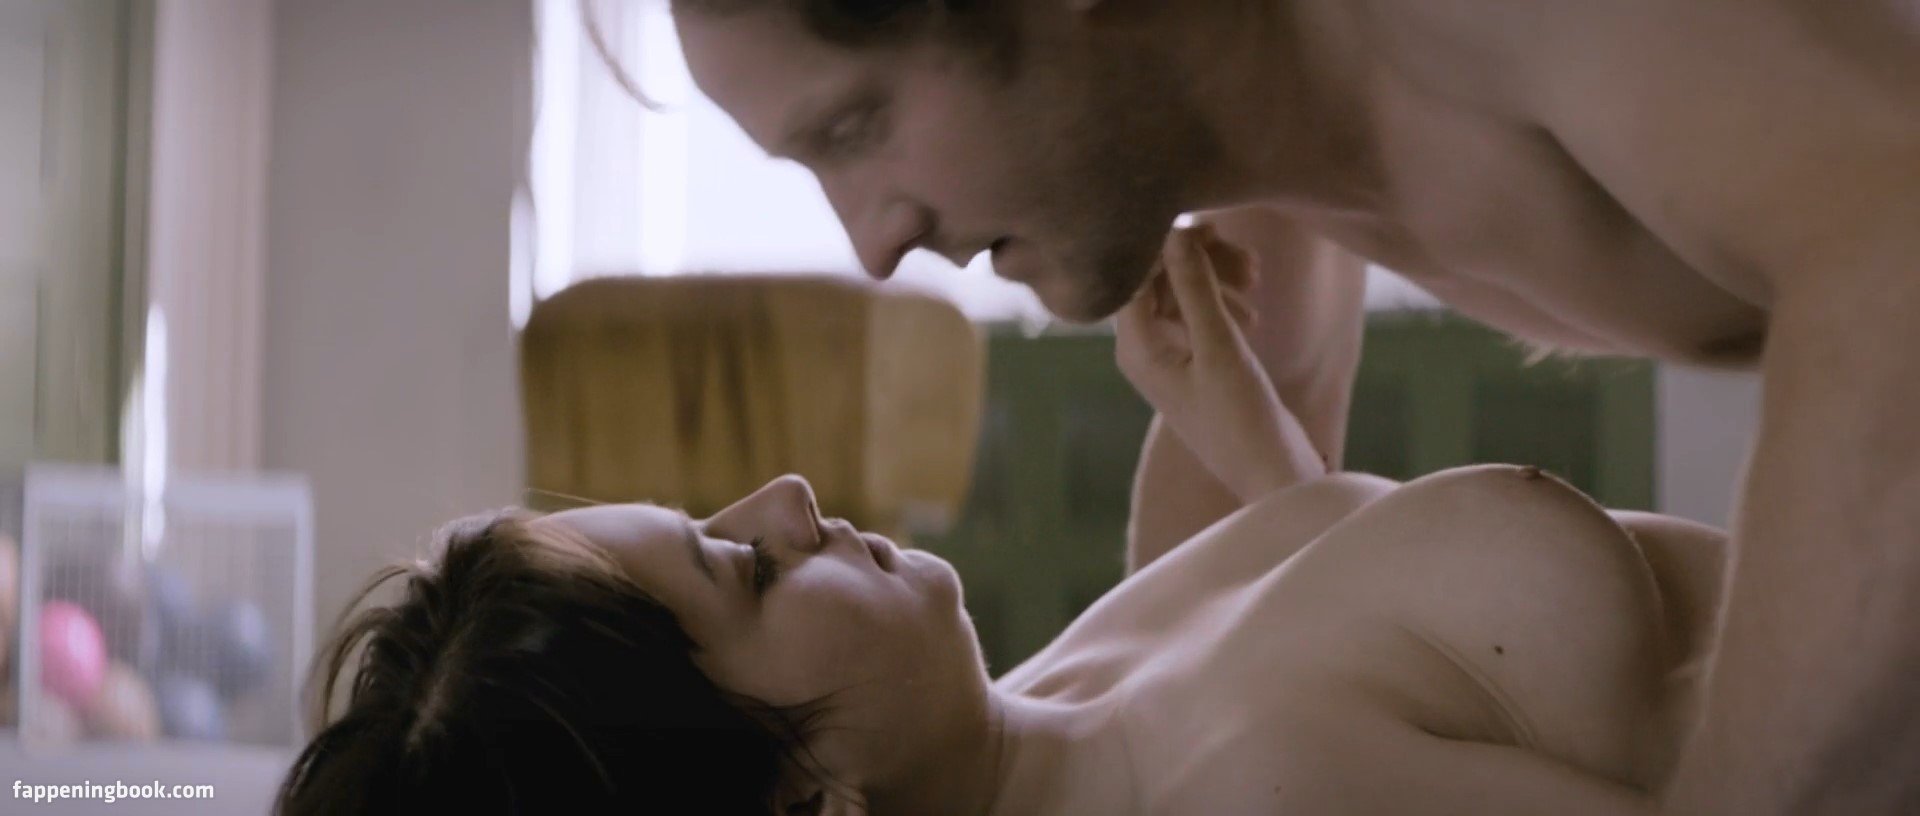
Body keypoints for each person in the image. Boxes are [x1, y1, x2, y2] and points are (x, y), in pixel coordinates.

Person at [646, 2, 1920, 812]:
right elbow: (1250, 648)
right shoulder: (1266, 134)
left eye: (855, 127)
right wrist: (1253, 437)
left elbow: (1895, 245)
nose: (868, 245)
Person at [278, 228, 1728, 814]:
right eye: (745, 571)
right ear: (810, 808)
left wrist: (1237, 419)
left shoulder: (1038, 709)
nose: (787, 500)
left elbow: (1386, 650)